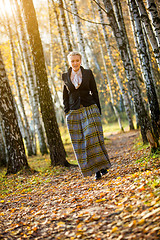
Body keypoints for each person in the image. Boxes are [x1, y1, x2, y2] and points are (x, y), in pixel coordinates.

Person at [62, 51, 111, 180]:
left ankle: (101, 167)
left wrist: (98, 109)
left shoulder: (88, 73)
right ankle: (96, 171)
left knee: (92, 138)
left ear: (80, 61)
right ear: (69, 62)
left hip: (90, 108)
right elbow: (65, 96)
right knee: (81, 143)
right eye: (72, 61)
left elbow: (94, 90)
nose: (75, 63)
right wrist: (66, 111)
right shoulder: (65, 76)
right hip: (74, 112)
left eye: (77, 60)